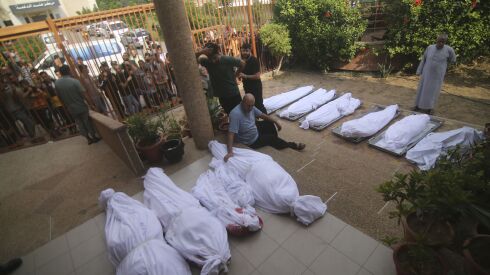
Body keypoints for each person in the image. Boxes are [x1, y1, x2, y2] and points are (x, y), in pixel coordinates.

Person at [224, 94, 305, 161]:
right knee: (271, 138)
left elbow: (262, 115)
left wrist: (276, 122)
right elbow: (231, 134)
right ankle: (291, 145)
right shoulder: (235, 114)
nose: (250, 108)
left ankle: (276, 142)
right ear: (242, 102)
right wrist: (230, 152)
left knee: (269, 123)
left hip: (253, 128)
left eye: (252, 106)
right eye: (248, 106)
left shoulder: (250, 106)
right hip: (251, 140)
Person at [55, 65, 100, 145]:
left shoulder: (57, 83)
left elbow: (59, 97)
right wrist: (91, 104)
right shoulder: (74, 81)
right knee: (87, 122)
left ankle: (88, 139)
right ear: (69, 71)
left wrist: (65, 106)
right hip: (80, 105)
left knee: (79, 123)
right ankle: (93, 137)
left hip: (70, 107)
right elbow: (84, 95)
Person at [196, 42, 245, 114]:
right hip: (221, 96)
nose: (213, 61)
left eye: (215, 57)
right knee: (230, 114)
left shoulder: (227, 59)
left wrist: (236, 75)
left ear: (218, 53)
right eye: (210, 58)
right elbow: (192, 59)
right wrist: (202, 52)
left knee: (240, 115)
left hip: (233, 94)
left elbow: (242, 63)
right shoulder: (206, 62)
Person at [414, 33, 456, 114]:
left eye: (443, 42)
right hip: (426, 74)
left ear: (445, 42)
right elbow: (424, 59)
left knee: (434, 92)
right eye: (439, 41)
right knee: (421, 90)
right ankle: (417, 105)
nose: (440, 43)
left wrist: (443, 67)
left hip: (437, 76)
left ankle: (430, 108)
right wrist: (419, 71)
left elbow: (453, 60)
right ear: (436, 40)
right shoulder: (430, 47)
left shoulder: (449, 50)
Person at [239, 43, 266, 113]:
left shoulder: (254, 60)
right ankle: (256, 120)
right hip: (247, 86)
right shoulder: (241, 60)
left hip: (255, 87)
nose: (244, 53)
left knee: (259, 105)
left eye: (246, 51)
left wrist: (245, 76)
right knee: (250, 104)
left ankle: (267, 122)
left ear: (250, 50)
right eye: (243, 51)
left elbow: (257, 76)